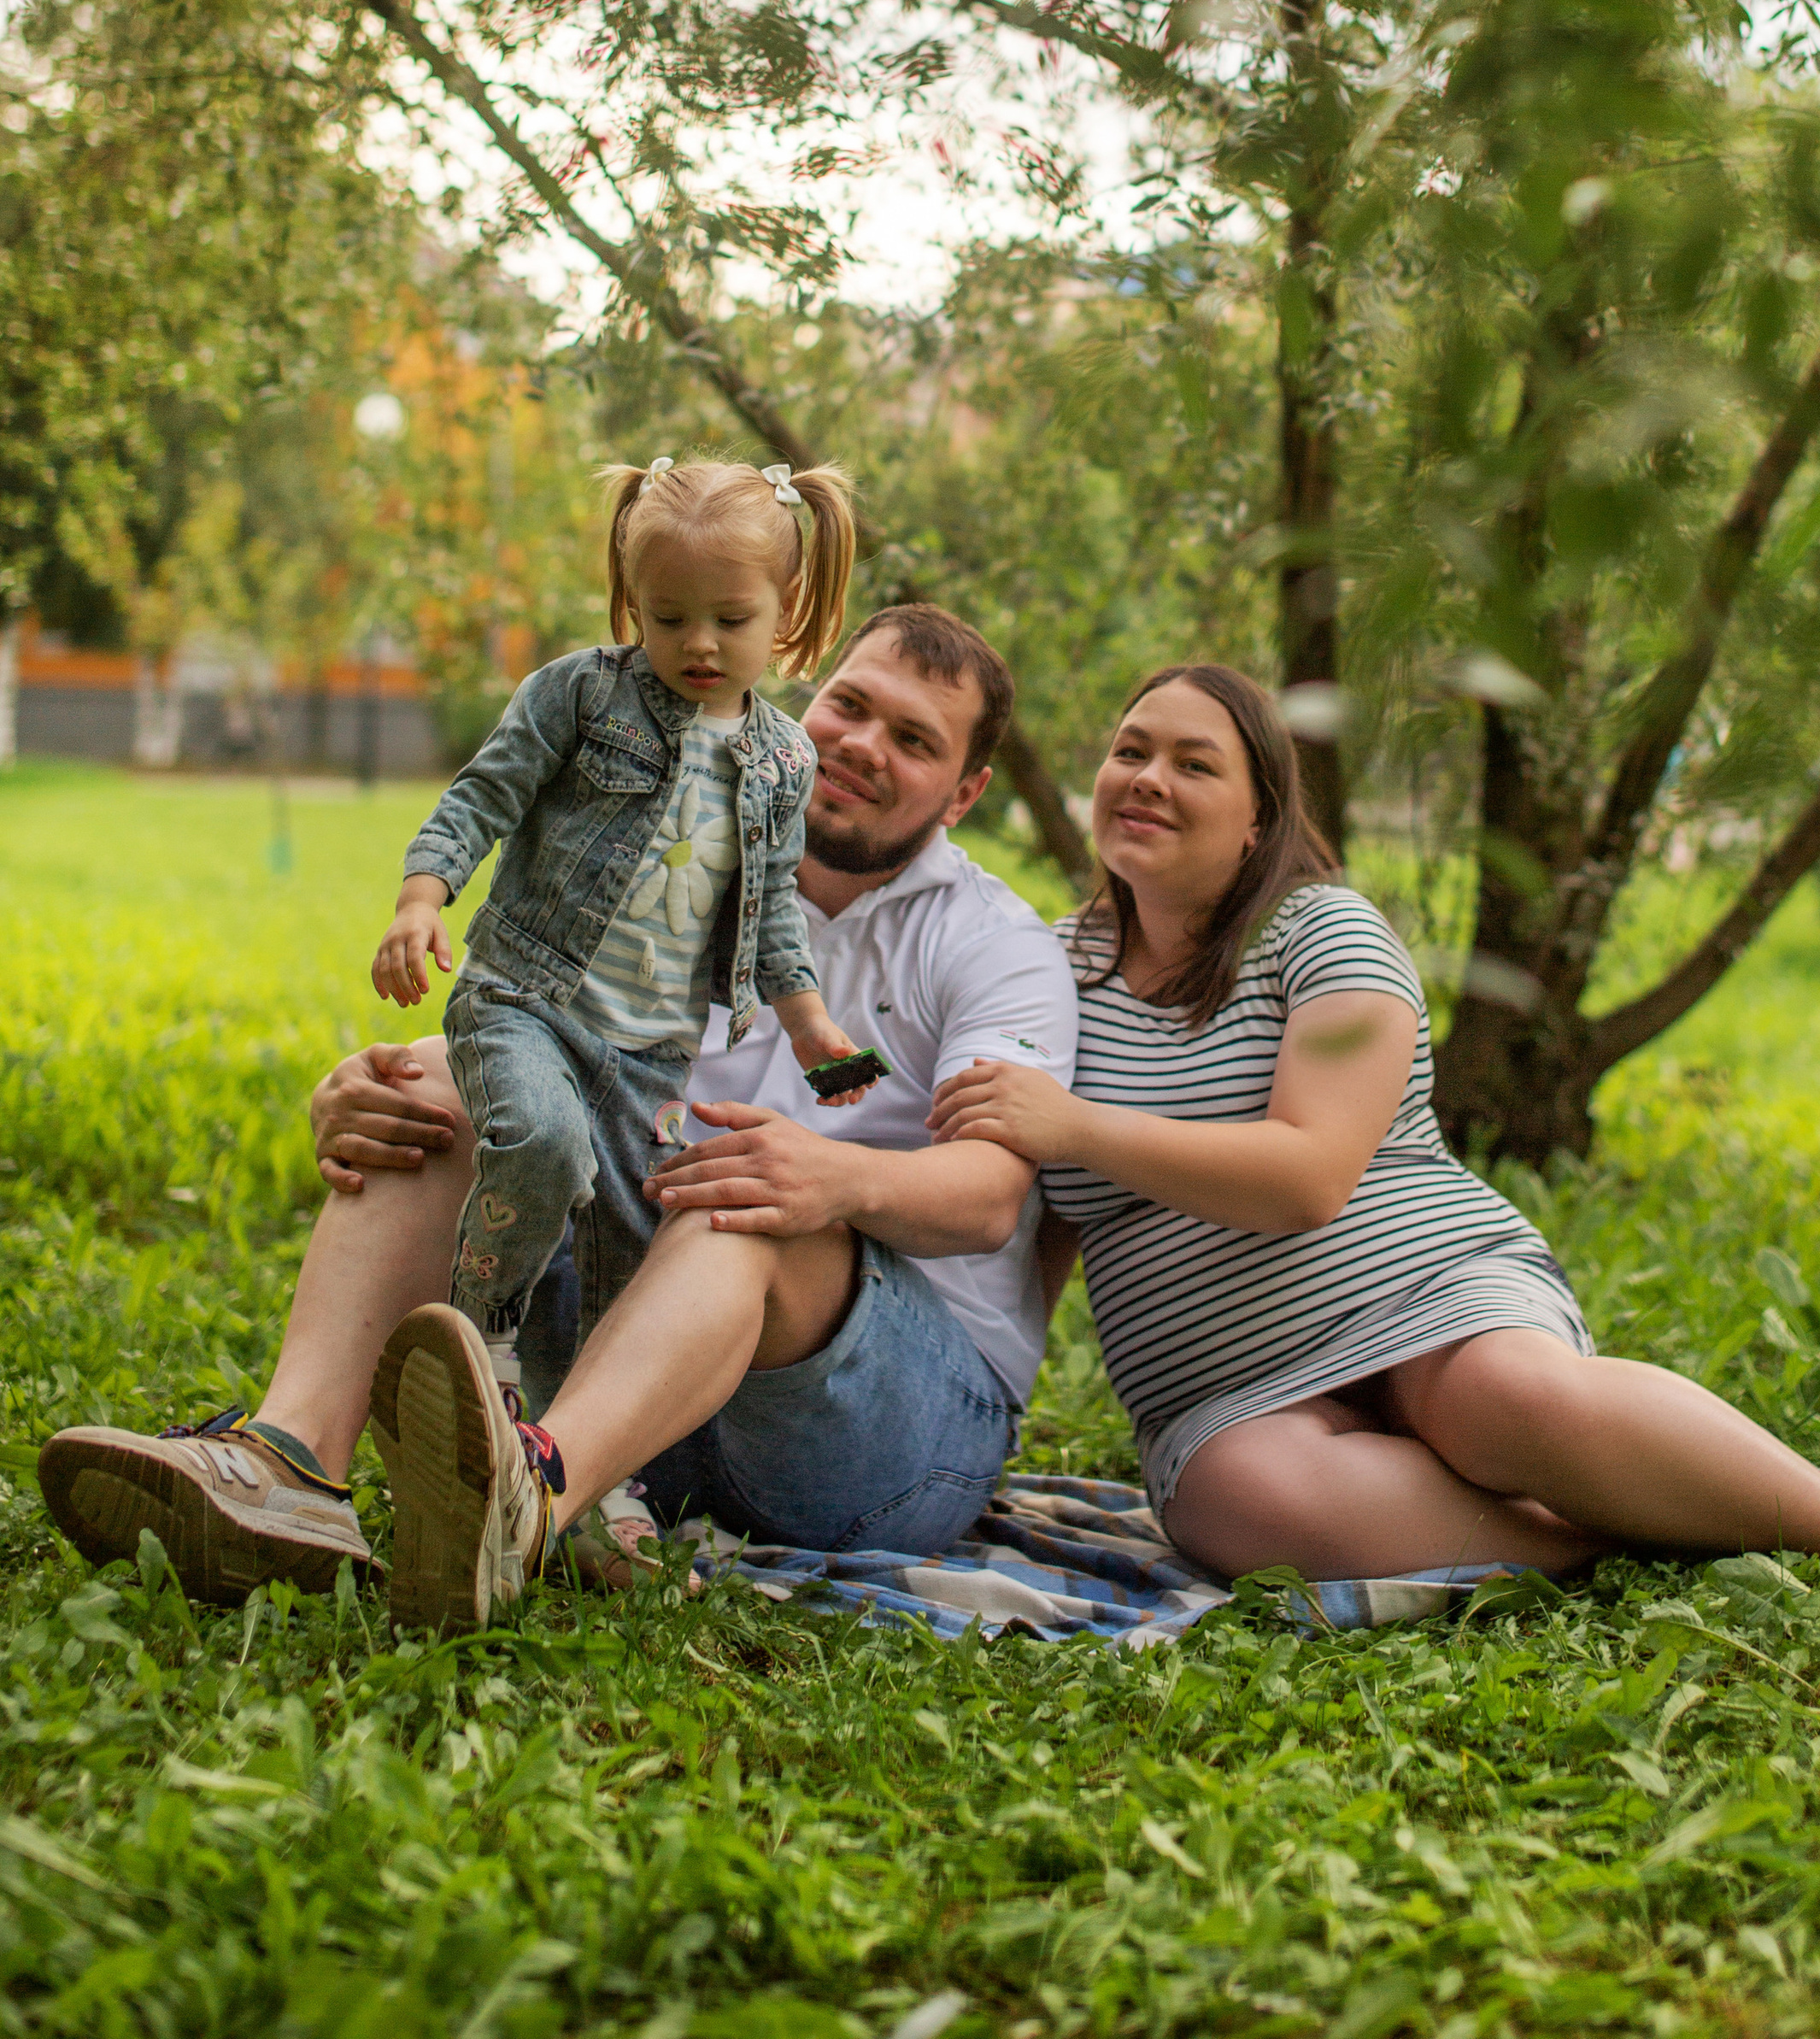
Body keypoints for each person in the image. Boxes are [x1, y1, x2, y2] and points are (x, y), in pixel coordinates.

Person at [38, 605, 1078, 1626]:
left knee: (752, 1199)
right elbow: (522, 1037)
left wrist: (836, 1179)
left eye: (913, 740)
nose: (860, 745)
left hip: (887, 1431)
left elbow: (988, 1198)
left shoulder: (993, 945)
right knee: (449, 1079)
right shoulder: (677, 859)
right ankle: (290, 1466)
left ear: (965, 793)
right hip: (646, 1377)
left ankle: (528, 1501)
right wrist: (368, 1083)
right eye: (850, 705)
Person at [931, 661, 1820, 1595]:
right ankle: (1623, 1540)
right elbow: (1038, 1230)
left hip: (1414, 1292)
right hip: (1219, 1389)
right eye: (1131, 750)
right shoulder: (1050, 970)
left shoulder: (1322, 933)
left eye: (1193, 762)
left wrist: (1074, 1124)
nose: (1148, 778)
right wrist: (977, 1403)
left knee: (1506, 1404)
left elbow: (1310, 1176)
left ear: (1258, 819)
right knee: (1246, 1509)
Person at [373, 453, 867, 1406]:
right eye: (667, 617)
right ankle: (473, 1346)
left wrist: (813, 1029)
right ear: (631, 597)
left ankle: (552, 1448)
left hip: (651, 1049)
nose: (700, 645)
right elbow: (483, 797)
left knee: (621, 1253)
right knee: (545, 1146)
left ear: (788, 605)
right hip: (527, 996)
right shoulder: (580, 695)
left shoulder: (783, 759)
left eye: (732, 620)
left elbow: (769, 920)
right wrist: (420, 897)